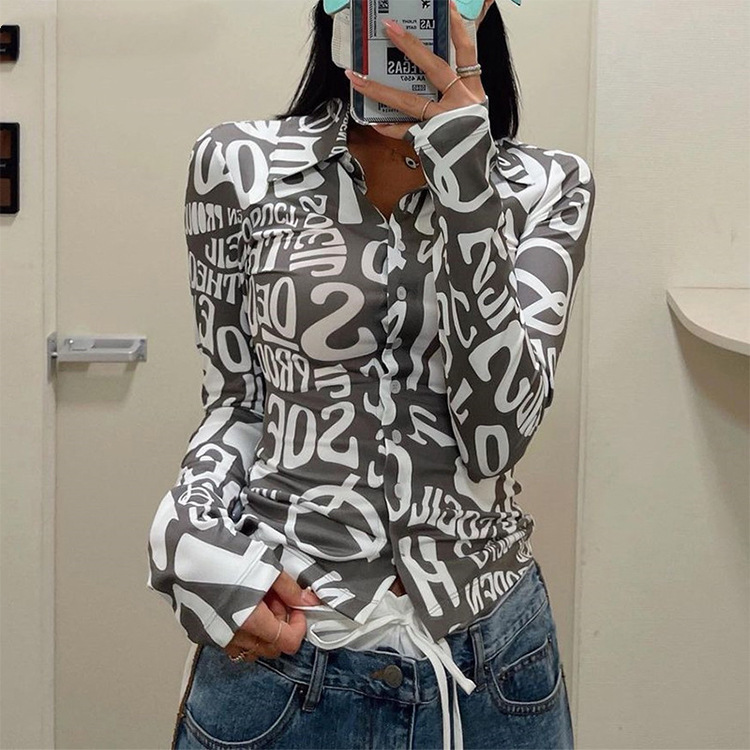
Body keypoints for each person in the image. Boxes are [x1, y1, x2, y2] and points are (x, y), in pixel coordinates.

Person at [146, 0, 596, 747]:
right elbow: (238, 401)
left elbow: (495, 440)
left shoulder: (548, 183)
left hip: (491, 667)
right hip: (288, 651)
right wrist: (185, 530)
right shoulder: (237, 163)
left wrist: (468, 184)